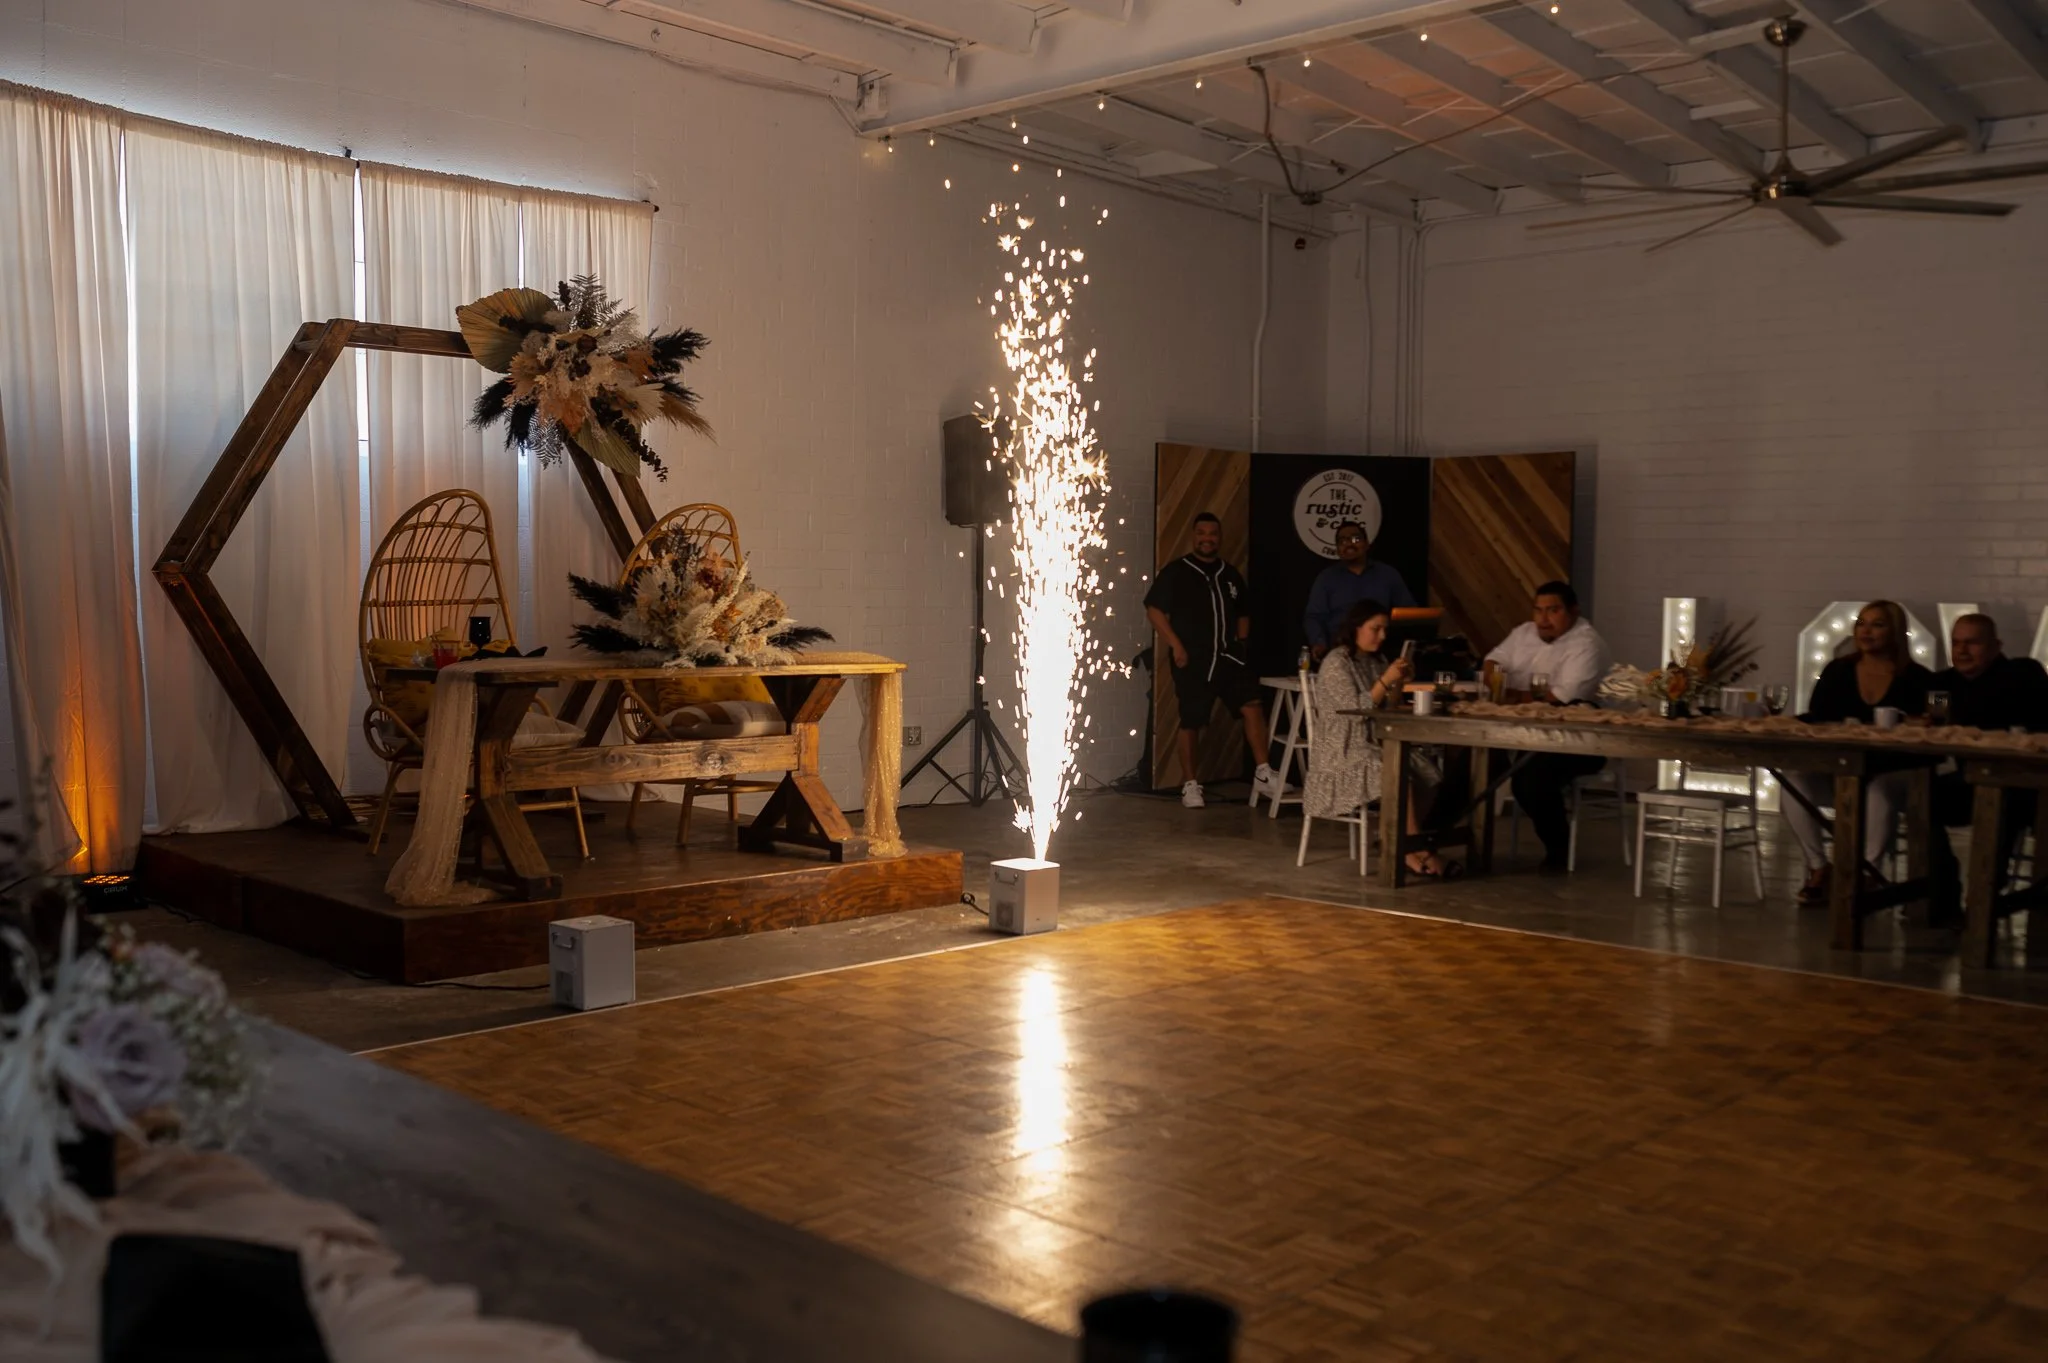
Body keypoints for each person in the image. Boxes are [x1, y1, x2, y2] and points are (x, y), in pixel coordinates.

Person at [1780, 600, 1932, 907]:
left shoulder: (1921, 676)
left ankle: (1868, 872)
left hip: (1892, 772)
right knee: (1792, 778)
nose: (1866, 631)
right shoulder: (1837, 670)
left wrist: (1928, 719)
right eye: (1861, 623)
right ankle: (1818, 867)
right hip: (1840, 771)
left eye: (1877, 624)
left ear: (1895, 632)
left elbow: (1942, 710)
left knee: (1878, 788)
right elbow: (1817, 716)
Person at [1304, 599, 1455, 876]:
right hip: (1342, 748)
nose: (1382, 636)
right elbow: (1356, 711)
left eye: (1385, 629)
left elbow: (1386, 706)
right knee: (1396, 772)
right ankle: (1412, 849)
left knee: (1428, 773)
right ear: (1356, 628)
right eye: (1376, 629)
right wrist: (1386, 680)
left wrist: (1399, 682)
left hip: (1374, 742)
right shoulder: (1337, 662)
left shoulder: (1377, 660)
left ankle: (1396, 840)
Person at [1144, 512, 1279, 809]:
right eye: (1202, 533)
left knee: (1252, 704)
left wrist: (1241, 645)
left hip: (1229, 657)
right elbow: (1154, 610)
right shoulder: (1177, 571)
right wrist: (1176, 645)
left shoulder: (1229, 574)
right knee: (1191, 720)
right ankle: (1191, 785)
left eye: (1213, 534)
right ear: (1194, 536)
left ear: (1220, 537)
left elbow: (1243, 612)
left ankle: (1263, 773)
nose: (1207, 538)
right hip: (1192, 660)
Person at [1482, 581, 1612, 872]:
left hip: (1579, 738)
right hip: (1520, 732)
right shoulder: (1524, 632)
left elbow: (1559, 698)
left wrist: (1509, 695)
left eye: (1553, 611)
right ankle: (1429, 836)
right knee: (1473, 761)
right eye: (1538, 610)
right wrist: (1494, 677)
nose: (1543, 619)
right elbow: (1493, 659)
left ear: (1573, 611)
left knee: (1531, 779)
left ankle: (1558, 849)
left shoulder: (1586, 644)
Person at [1926, 613, 2048, 921]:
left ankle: (1985, 897)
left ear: (1995, 646)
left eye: (1972, 643)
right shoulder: (1941, 685)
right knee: (1921, 799)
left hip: (2024, 780)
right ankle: (1942, 897)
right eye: (1956, 643)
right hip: (1962, 780)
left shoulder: (2023, 675)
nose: (1962, 650)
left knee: (2003, 800)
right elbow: (1936, 729)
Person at [1303, 522, 1417, 662]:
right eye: (1342, 541)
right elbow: (1314, 616)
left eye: (1355, 539)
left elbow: (1408, 613)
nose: (1349, 544)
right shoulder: (1326, 578)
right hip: (1339, 653)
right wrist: (1319, 643)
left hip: (1382, 653)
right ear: (1337, 549)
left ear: (1367, 544)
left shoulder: (1388, 575)